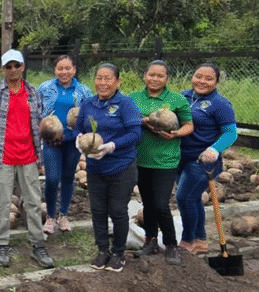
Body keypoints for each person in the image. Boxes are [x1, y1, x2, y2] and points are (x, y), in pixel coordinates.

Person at [0, 49, 54, 269]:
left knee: (32, 202)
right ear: (3, 69)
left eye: (16, 66)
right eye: (8, 66)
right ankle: (2, 244)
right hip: (2, 154)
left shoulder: (32, 91)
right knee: (2, 203)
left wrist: (52, 131)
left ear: (23, 67)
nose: (13, 70)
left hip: (28, 154)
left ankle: (38, 244)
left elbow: (38, 121)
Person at [76, 63, 141, 273]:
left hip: (121, 166)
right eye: (99, 78)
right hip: (95, 167)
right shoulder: (88, 104)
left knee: (118, 210)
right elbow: (78, 128)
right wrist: (79, 140)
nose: (102, 83)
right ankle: (103, 250)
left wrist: (112, 145)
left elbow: (135, 133)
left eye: (108, 79)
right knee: (98, 210)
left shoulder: (126, 104)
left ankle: (118, 253)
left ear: (118, 81)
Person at [129, 60, 194, 266]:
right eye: (151, 75)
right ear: (144, 76)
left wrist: (176, 134)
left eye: (160, 76)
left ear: (166, 78)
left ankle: (171, 244)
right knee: (148, 204)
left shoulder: (176, 99)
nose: (155, 79)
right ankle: (150, 241)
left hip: (166, 161)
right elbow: (127, 120)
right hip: (141, 158)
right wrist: (143, 121)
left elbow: (189, 125)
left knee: (160, 204)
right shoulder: (133, 98)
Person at [177, 63, 237, 255]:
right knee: (193, 199)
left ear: (216, 82)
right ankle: (200, 240)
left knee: (184, 198)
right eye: (198, 76)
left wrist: (214, 149)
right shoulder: (182, 97)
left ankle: (187, 241)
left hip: (203, 161)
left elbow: (230, 133)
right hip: (180, 158)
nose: (202, 81)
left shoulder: (220, 104)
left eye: (208, 78)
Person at [37, 55, 92, 235]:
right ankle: (50, 216)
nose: (64, 72)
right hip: (51, 141)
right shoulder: (45, 88)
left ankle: (64, 214)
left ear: (74, 69)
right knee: (52, 178)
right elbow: (36, 111)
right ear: (55, 70)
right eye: (60, 68)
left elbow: (90, 115)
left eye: (68, 68)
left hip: (72, 141)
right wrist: (43, 130)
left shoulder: (83, 91)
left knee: (68, 177)